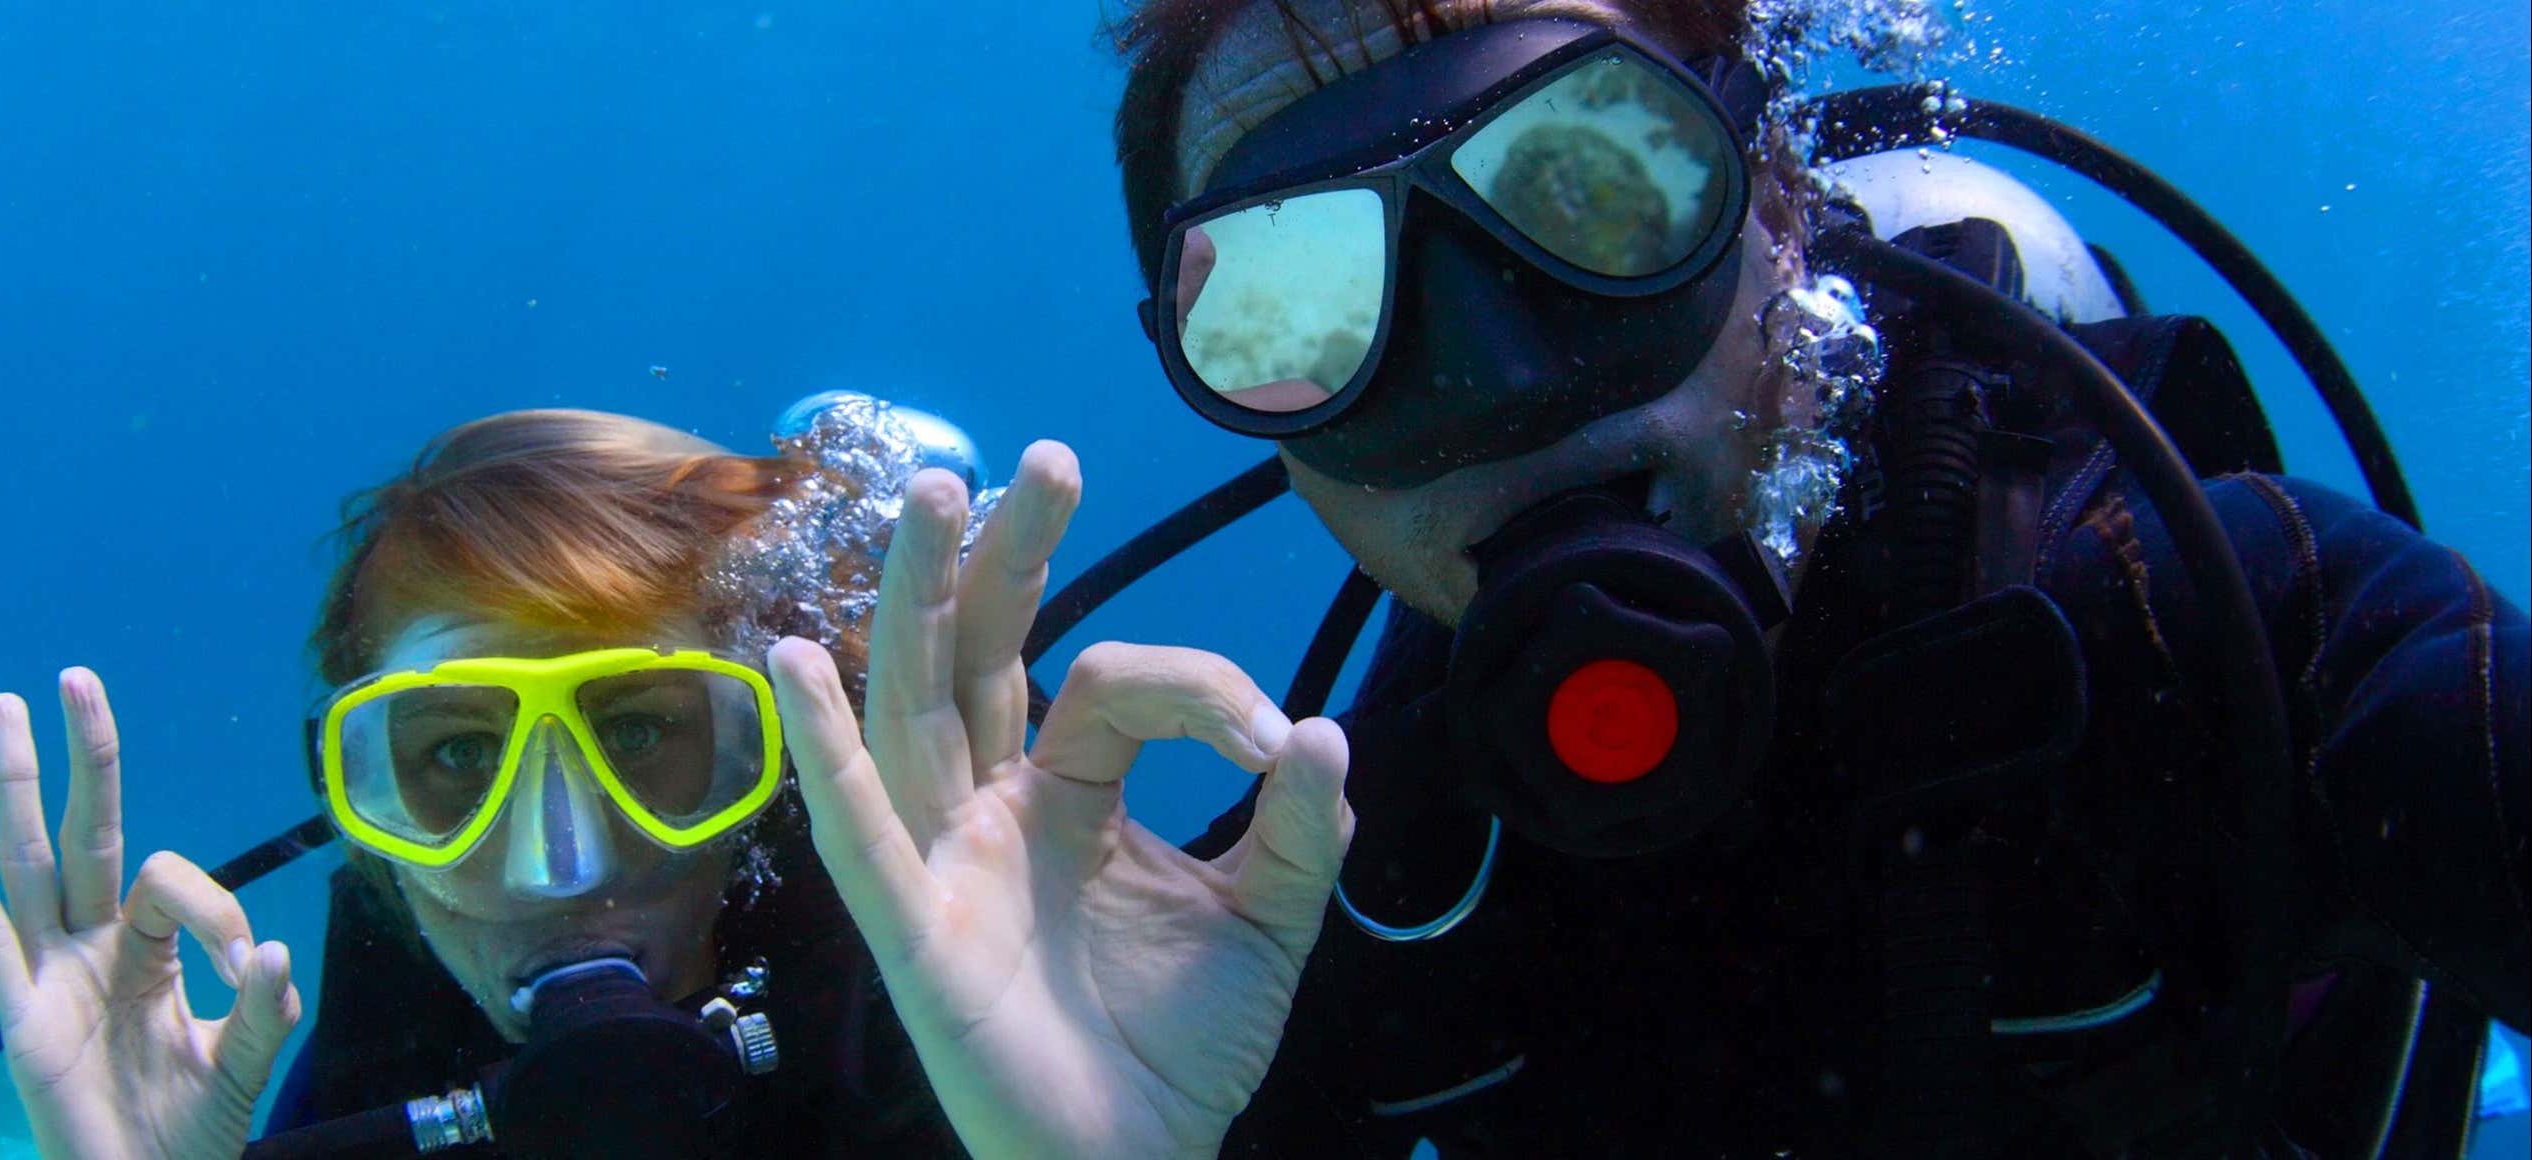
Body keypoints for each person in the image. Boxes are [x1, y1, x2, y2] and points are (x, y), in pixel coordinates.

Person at [765, 1, 2526, 1156]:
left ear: (1767, 198)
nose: (1492, 381)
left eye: (1589, 200)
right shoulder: (1325, 902)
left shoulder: (2206, 624)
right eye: (1295, 314)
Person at [0, 408, 959, 1158]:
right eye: (462, 754)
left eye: (641, 727)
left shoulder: (935, 988)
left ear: (773, 755)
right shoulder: (393, 1020)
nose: (560, 866)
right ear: (363, 809)